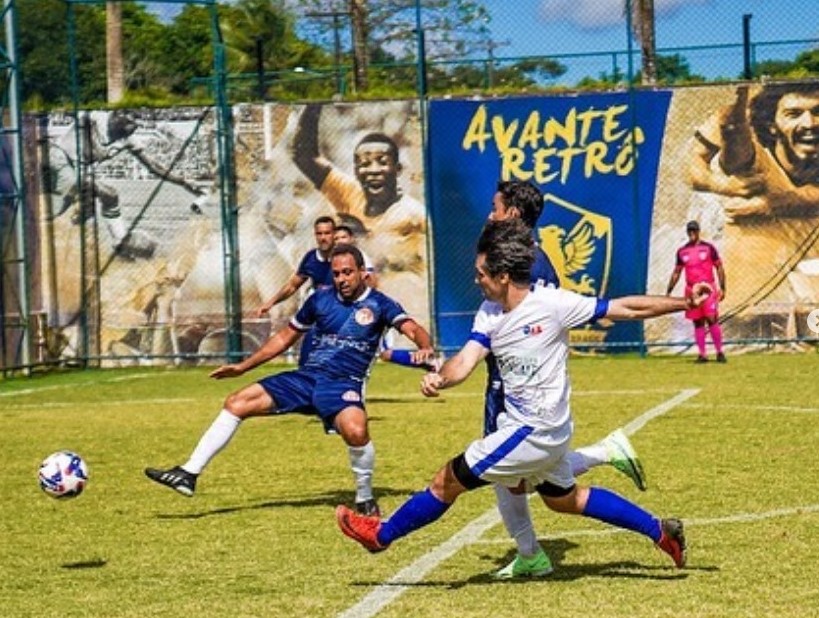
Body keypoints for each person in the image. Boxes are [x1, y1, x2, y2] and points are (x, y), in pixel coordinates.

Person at [336, 218, 711, 569]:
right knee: (566, 500)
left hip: (535, 429)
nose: (476, 278)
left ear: (502, 275)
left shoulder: (551, 304)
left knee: (446, 480)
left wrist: (685, 302)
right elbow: (464, 362)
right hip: (533, 429)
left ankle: (380, 535)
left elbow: (625, 307)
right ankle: (661, 531)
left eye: (481, 273)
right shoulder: (489, 311)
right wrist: (441, 378)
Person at [145, 244, 435, 516]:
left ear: (362, 272)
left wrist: (424, 347)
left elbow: (413, 328)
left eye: (347, 272)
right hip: (306, 379)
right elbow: (285, 336)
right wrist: (244, 366)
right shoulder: (319, 299)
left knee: (356, 431)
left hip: (342, 383)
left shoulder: (381, 304)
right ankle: (189, 473)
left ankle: (364, 498)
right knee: (237, 402)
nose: (342, 279)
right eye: (336, 274)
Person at [483, 180, 648, 579]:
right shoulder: (520, 258)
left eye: (496, 207)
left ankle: (530, 553)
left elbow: (537, 324)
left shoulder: (532, 267)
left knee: (509, 475)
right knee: (537, 475)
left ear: (513, 215)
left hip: (515, 385)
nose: (490, 214)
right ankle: (607, 452)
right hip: (513, 378)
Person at [687, 83, 819, 339]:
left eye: (817, 112)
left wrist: (769, 205)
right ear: (773, 125)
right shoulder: (755, 165)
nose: (810, 123)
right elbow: (734, 156)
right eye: (794, 114)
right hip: (753, 303)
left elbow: (802, 198)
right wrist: (721, 179)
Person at [291, 104, 428, 324]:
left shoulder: (414, 216)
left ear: (397, 169)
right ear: (355, 171)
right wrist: (313, 105)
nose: (373, 170)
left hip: (400, 308)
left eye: (382, 162)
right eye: (364, 164)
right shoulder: (349, 193)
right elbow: (304, 156)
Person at [256, 215, 336, 366]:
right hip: (320, 317)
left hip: (341, 317)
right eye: (320, 234)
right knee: (306, 360)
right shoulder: (311, 258)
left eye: (327, 233)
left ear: (334, 235)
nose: (323, 237)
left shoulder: (344, 257)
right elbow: (293, 285)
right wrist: (271, 302)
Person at [665, 220, 727, 363]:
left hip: (708, 288)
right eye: (690, 231)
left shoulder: (708, 248)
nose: (692, 233)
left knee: (712, 319)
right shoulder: (682, 251)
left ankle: (719, 352)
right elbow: (677, 272)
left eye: (694, 231)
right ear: (687, 232)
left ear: (699, 231)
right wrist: (669, 291)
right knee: (697, 322)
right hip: (691, 290)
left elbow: (719, 267)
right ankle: (702, 354)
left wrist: (723, 288)